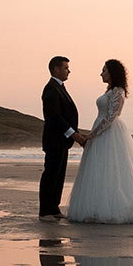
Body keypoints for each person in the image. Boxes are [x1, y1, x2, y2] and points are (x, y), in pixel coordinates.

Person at [67, 59, 133, 224]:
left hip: (110, 132)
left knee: (112, 167)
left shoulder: (118, 91)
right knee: (98, 168)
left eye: (104, 70)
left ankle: (111, 206)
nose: (101, 73)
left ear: (112, 73)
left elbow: (112, 117)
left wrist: (92, 134)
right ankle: (97, 204)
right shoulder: (109, 90)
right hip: (101, 130)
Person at [39, 55, 86, 221]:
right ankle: (45, 211)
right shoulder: (51, 88)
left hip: (62, 141)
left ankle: (54, 208)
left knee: (59, 176)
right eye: (66, 68)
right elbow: (54, 117)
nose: (69, 71)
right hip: (54, 140)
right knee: (51, 175)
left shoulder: (59, 87)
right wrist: (73, 134)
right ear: (56, 69)